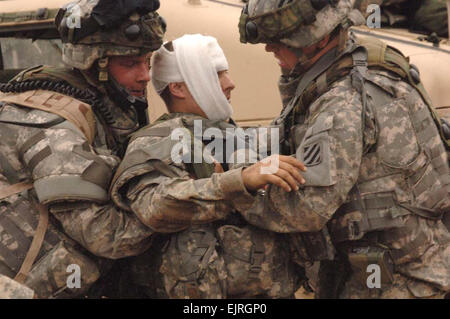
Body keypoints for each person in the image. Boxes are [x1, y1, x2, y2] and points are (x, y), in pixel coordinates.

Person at [236, 0, 450, 298]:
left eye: (278, 41)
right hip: (420, 268)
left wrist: (234, 187)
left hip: (399, 284)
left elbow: (305, 210)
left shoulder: (343, 102)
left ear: (320, 38)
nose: (269, 49)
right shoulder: (361, 60)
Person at [109, 34, 305, 298]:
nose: (230, 83)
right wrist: (241, 181)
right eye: (217, 74)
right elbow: (155, 207)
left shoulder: (233, 135)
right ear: (178, 88)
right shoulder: (155, 141)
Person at [0, 0, 165, 298]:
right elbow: (105, 236)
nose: (145, 75)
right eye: (130, 64)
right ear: (96, 63)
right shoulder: (52, 126)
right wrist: (188, 201)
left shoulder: (94, 102)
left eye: (148, 61)